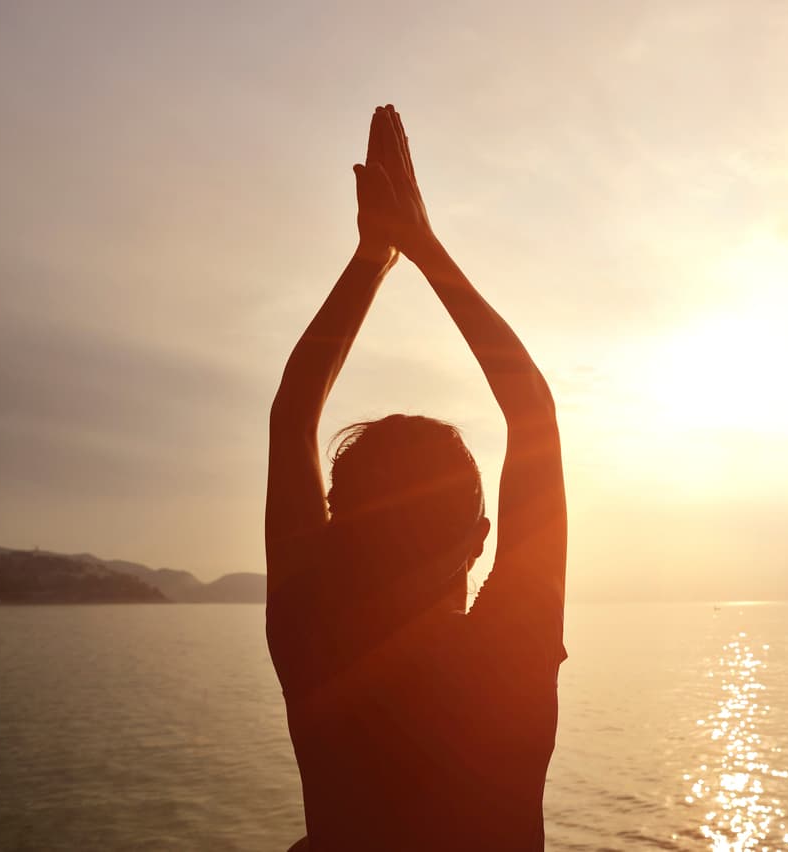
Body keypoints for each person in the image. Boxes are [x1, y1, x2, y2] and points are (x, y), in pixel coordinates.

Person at [265, 105, 567, 851]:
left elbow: (292, 416)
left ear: (337, 527)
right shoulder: (510, 654)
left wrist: (374, 260)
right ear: (479, 540)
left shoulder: (314, 642)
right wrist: (422, 246)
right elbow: (535, 413)